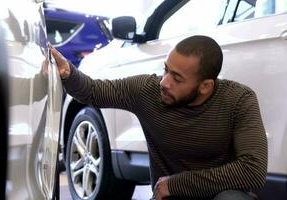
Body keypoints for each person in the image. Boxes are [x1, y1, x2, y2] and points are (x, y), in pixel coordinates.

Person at [44, 35, 267, 200]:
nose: (164, 82)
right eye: (165, 70)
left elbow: (253, 170)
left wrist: (175, 184)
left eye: (177, 78)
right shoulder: (148, 91)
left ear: (206, 86)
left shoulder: (238, 101)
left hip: (215, 196)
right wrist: (68, 73)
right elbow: (94, 91)